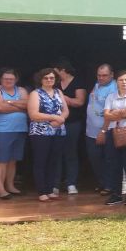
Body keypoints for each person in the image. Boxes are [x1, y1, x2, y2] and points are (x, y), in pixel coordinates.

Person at [27, 68, 69, 201]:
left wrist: (61, 119)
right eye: (46, 78)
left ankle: (50, 190)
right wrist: (54, 117)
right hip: (40, 132)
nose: (49, 80)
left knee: (53, 161)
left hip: (58, 131)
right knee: (41, 161)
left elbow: (65, 110)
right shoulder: (35, 93)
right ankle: (42, 191)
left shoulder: (58, 92)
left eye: (51, 78)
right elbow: (33, 114)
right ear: (41, 79)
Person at [101, 69, 126, 206]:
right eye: (120, 80)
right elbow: (106, 115)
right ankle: (116, 194)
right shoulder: (110, 96)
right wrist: (124, 113)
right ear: (116, 82)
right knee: (114, 165)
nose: (123, 82)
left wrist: (115, 113)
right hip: (113, 132)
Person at [0, 68, 29, 199]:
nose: (8, 81)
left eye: (11, 79)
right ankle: (0, 188)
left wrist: (10, 102)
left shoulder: (21, 90)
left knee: (13, 160)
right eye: (5, 79)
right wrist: (19, 106)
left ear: (16, 79)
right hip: (3, 130)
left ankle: (10, 186)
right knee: (2, 160)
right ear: (0, 79)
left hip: (20, 129)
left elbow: (28, 105)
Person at [52, 58, 87, 195]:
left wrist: (64, 98)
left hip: (73, 123)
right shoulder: (54, 83)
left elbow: (80, 102)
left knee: (70, 152)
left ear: (63, 70)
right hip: (55, 123)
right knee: (56, 153)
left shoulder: (78, 82)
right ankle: (55, 184)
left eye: (55, 71)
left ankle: (71, 183)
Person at [86, 64, 117, 196]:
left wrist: (103, 131)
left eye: (104, 75)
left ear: (112, 75)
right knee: (95, 158)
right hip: (91, 130)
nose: (101, 78)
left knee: (108, 159)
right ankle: (102, 182)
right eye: (99, 75)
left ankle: (110, 185)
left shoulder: (114, 89)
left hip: (106, 130)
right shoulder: (97, 85)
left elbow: (111, 112)